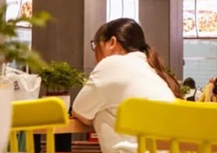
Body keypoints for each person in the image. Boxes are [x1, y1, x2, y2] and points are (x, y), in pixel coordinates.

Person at [73, 19, 181, 153]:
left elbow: (79, 110)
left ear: (112, 42)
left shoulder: (111, 64)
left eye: (95, 46)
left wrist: (98, 113)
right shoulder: (151, 71)